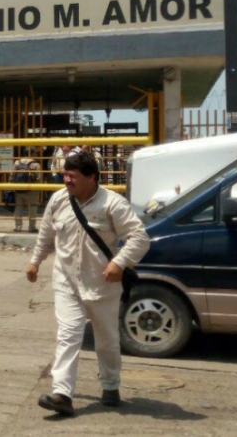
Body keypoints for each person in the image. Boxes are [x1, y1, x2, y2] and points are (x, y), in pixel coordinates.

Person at [25, 151, 149, 416]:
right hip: (67, 283)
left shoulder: (112, 204)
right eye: (64, 174)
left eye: (72, 175)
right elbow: (46, 235)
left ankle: (111, 385)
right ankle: (62, 394)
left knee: (107, 340)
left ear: (91, 177)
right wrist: (35, 262)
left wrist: (119, 262)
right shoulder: (58, 201)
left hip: (103, 286)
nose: (66, 180)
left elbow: (140, 237)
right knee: (68, 336)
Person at [12, 148, 43, 233]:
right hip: (32, 190)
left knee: (18, 208)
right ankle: (31, 227)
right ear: (31, 154)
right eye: (35, 153)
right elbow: (39, 178)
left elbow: (12, 175)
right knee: (32, 208)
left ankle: (17, 227)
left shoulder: (17, 163)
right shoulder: (36, 164)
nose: (36, 155)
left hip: (19, 189)